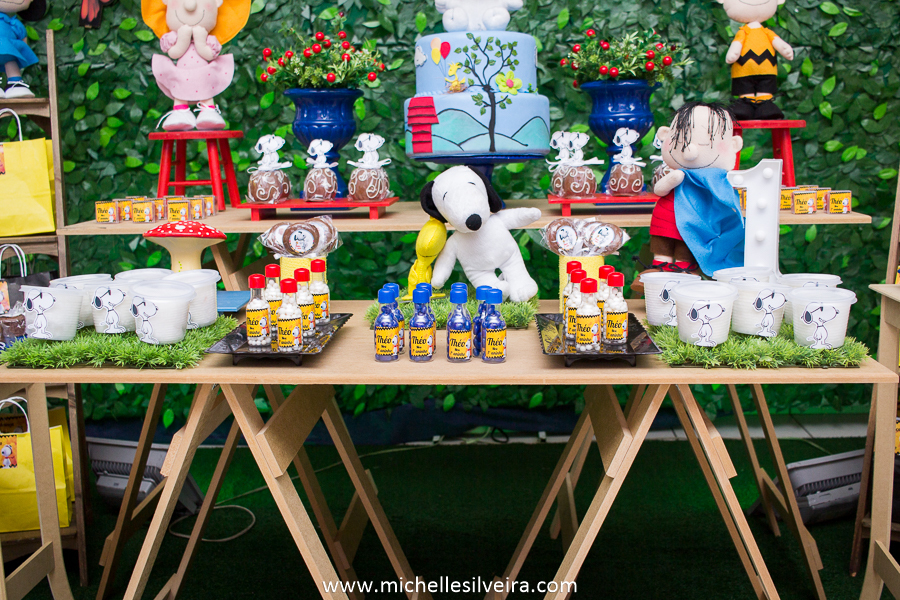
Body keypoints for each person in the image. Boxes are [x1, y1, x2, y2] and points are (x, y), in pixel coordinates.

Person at [142, 0, 249, 131]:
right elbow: (174, 53)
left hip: (204, 73)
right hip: (181, 74)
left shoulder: (209, 40)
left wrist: (200, 42)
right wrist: (183, 39)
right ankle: (180, 111)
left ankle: (207, 110)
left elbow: (209, 55)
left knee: (206, 89)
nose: (190, 5)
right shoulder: (173, 37)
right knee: (180, 90)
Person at [719, 0, 794, 120]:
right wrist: (734, 52)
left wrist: (784, 48)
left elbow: (777, 42)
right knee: (745, 88)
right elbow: (737, 43)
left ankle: (765, 104)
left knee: (765, 86)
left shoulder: (766, 32)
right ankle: (745, 104)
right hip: (745, 69)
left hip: (766, 68)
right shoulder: (743, 32)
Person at [0, 0, 45, 99]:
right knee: (11, 60)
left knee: (11, 60)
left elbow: (21, 34)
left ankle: (15, 82)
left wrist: (22, 50)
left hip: (9, 47)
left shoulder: (12, 22)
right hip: (9, 46)